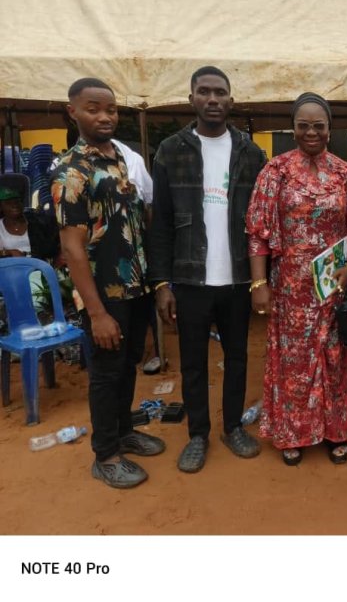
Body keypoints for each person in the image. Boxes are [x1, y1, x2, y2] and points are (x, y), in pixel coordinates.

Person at [149, 66, 266, 473]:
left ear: (231, 101)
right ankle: (198, 434)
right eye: (204, 92)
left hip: (236, 279)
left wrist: (259, 280)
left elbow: (260, 224)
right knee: (193, 361)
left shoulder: (252, 154)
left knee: (237, 358)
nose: (212, 99)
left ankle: (232, 427)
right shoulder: (170, 150)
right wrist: (162, 283)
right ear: (192, 99)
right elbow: (160, 222)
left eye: (220, 92)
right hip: (190, 279)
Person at [51, 77, 165, 489]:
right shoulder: (71, 171)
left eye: (111, 109)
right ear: (73, 112)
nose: (104, 116)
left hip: (135, 289)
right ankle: (106, 454)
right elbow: (74, 249)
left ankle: (123, 431)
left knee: (128, 364)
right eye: (93, 108)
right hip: (103, 295)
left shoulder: (119, 158)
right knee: (105, 373)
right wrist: (96, 312)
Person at [246, 92, 347, 466]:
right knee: (294, 360)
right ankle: (293, 433)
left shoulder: (346, 173)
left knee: (333, 358)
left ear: (330, 129)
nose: (311, 132)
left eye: (319, 125)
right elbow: (257, 232)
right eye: (304, 125)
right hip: (290, 286)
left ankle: (334, 432)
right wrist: (259, 283)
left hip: (332, 283)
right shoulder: (276, 171)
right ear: (293, 128)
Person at [111, 139, 161, 375]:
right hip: (108, 279)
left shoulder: (133, 160)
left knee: (131, 354)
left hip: (140, 272)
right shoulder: (72, 169)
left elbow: (150, 205)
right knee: (111, 364)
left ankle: (158, 351)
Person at [0, 187, 30, 257]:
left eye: (17, 201)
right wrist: (9, 252)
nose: (14, 205)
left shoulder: (36, 221)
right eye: (8, 203)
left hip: (38, 264)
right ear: (1, 207)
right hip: (12, 265)